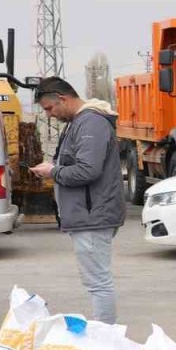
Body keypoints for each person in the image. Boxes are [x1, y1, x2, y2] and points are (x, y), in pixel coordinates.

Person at [29, 77, 125, 324]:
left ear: (63, 98)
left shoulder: (90, 122)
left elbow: (87, 170)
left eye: (50, 109)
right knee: (96, 281)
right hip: (88, 214)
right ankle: (104, 336)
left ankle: (104, 340)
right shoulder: (80, 122)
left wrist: (53, 171)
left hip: (92, 216)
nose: (50, 115)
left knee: (98, 283)